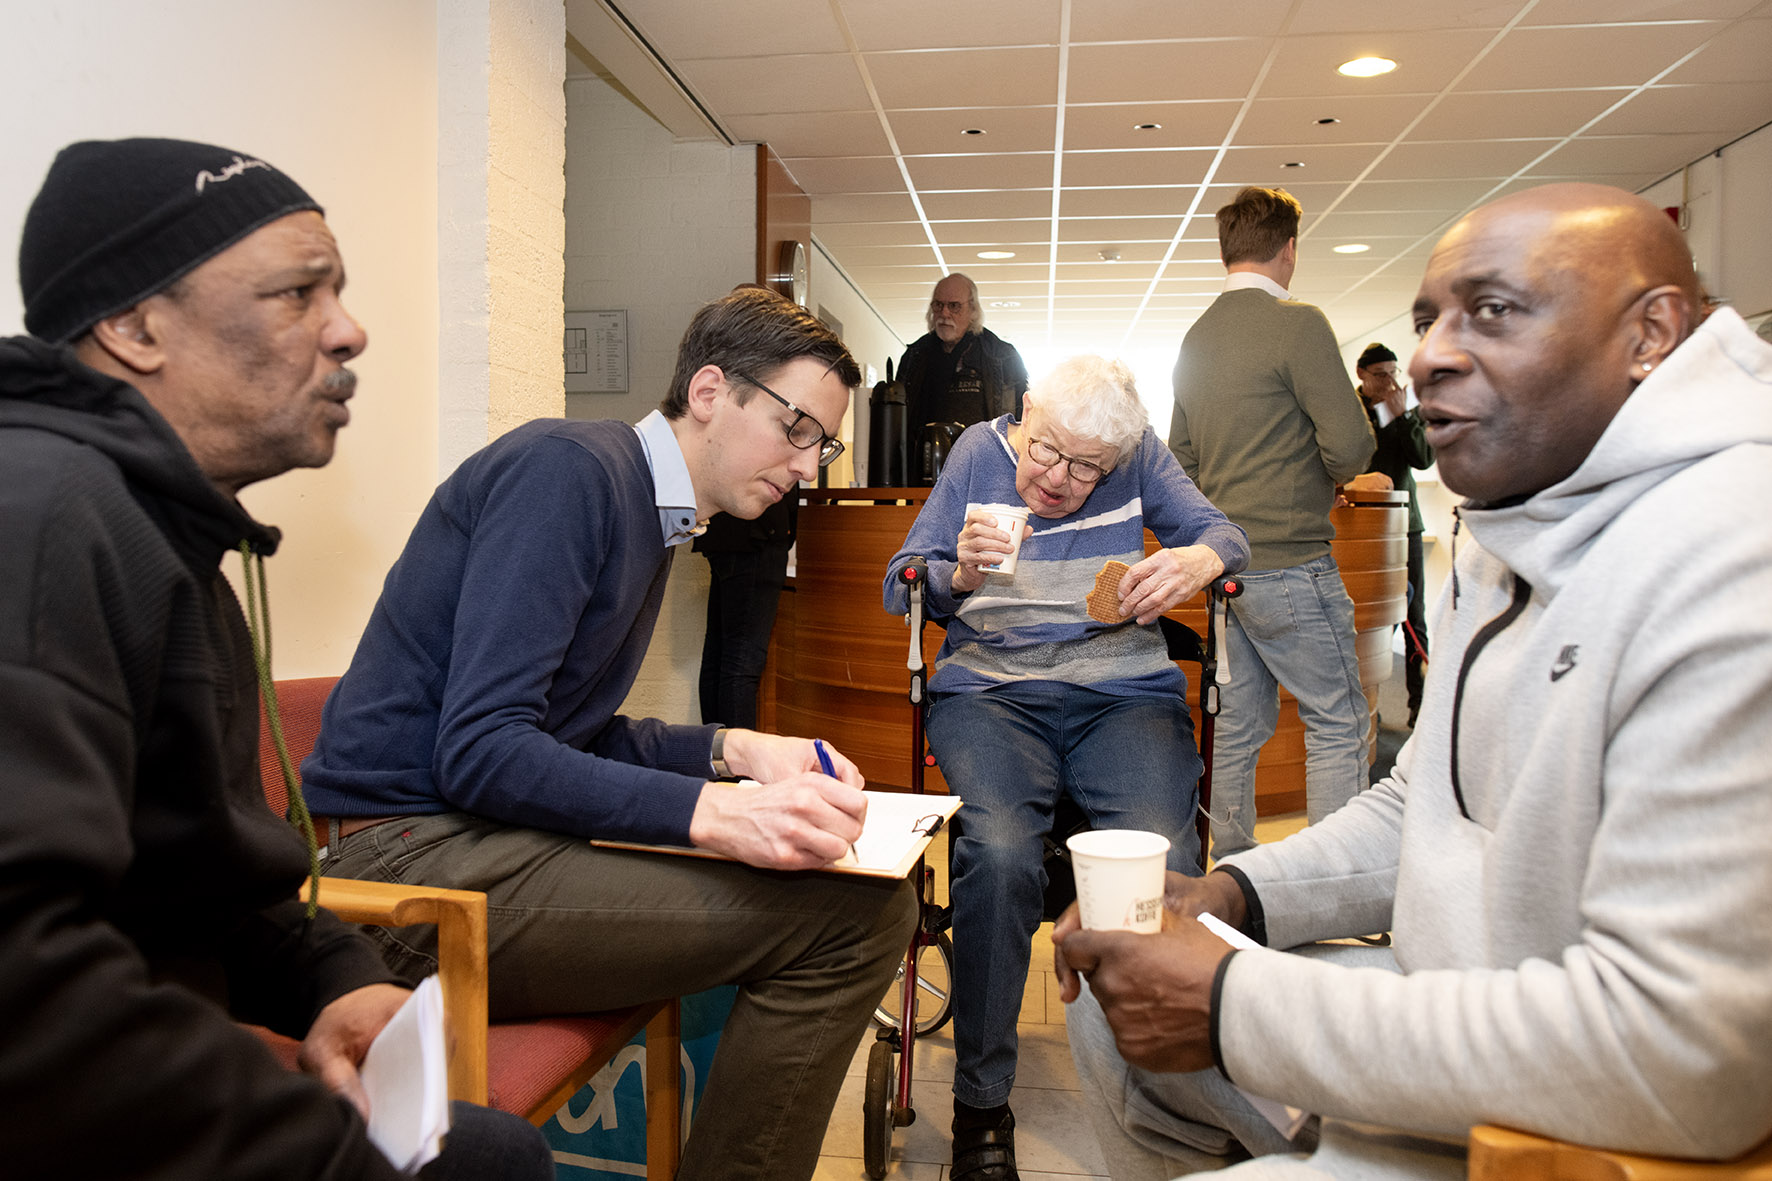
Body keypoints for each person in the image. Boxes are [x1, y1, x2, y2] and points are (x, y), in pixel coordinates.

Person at [1055, 182, 1772, 1178]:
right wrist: (1225, 893)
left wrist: (1228, 1000)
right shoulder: (1516, 521)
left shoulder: (1732, 554)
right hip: (1436, 989)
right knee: (1111, 991)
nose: (1431, 351)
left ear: (1650, 331)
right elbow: (1418, 801)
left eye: (1491, 309)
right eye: (1426, 318)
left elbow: (1683, 1056)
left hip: (1562, 1119)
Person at [0, 137, 551, 1180]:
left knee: (488, 1152)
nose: (350, 330)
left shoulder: (165, 541)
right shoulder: (40, 520)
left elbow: (199, 874)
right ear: (132, 325)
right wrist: (321, 1152)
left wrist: (328, 977)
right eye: (298, 293)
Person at [300, 286, 919, 1181]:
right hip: (401, 874)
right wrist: (716, 814)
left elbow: (566, 736)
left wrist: (733, 749)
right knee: (856, 915)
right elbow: (481, 751)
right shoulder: (571, 471)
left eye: (823, 443)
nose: (810, 465)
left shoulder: (645, 509)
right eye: (796, 428)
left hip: (467, 844)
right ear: (709, 391)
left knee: (852, 895)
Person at [884, 356, 1250, 1181]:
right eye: (1046, 451)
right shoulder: (979, 454)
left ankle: (1162, 1087)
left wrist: (1198, 561)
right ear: (1024, 414)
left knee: (1163, 857)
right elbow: (901, 581)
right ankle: (981, 1104)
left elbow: (1228, 537)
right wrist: (961, 572)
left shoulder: (1140, 454)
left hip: (1122, 689)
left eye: (1088, 467)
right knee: (1002, 850)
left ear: (1117, 458)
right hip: (993, 690)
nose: (1057, 478)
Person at [1169, 186, 1377, 859]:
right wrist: (1320, 476)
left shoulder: (1197, 337)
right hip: (1292, 566)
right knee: (1339, 720)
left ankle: (1232, 879)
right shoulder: (1299, 324)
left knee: (1238, 728)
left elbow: (1181, 463)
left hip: (1227, 570)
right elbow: (1350, 446)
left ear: (1228, 249)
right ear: (1290, 249)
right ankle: (1333, 888)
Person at [1354, 342, 1433, 729]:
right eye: (1381, 375)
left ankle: (1420, 709)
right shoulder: (1350, 411)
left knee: (1412, 618)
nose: (1390, 382)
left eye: (1394, 373)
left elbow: (1423, 457)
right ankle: (1370, 700)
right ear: (1362, 376)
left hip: (1406, 528)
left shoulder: (1407, 412)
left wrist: (1402, 418)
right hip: (1361, 530)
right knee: (1368, 620)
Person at [897, 272, 1029, 479]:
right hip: (925, 473)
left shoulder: (1002, 356)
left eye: (954, 306)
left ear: (973, 310)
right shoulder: (915, 356)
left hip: (986, 472)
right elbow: (899, 425)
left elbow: (1023, 421)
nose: (945, 313)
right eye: (938, 305)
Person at [693, 493, 795, 728]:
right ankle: (736, 762)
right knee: (740, 664)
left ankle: (713, 754)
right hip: (757, 532)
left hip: (721, 530)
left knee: (719, 656)